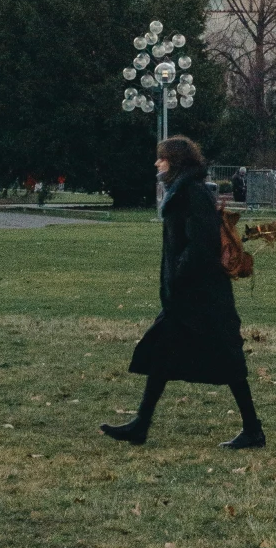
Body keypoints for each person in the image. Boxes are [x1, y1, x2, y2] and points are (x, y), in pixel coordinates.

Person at [101, 135, 265, 450]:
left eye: (161, 158)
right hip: (188, 295)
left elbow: (203, 244)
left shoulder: (192, 193)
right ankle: (141, 424)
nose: (157, 163)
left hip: (202, 295)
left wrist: (178, 273)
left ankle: (253, 430)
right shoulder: (183, 191)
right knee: (163, 353)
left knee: (229, 361)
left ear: (174, 162)